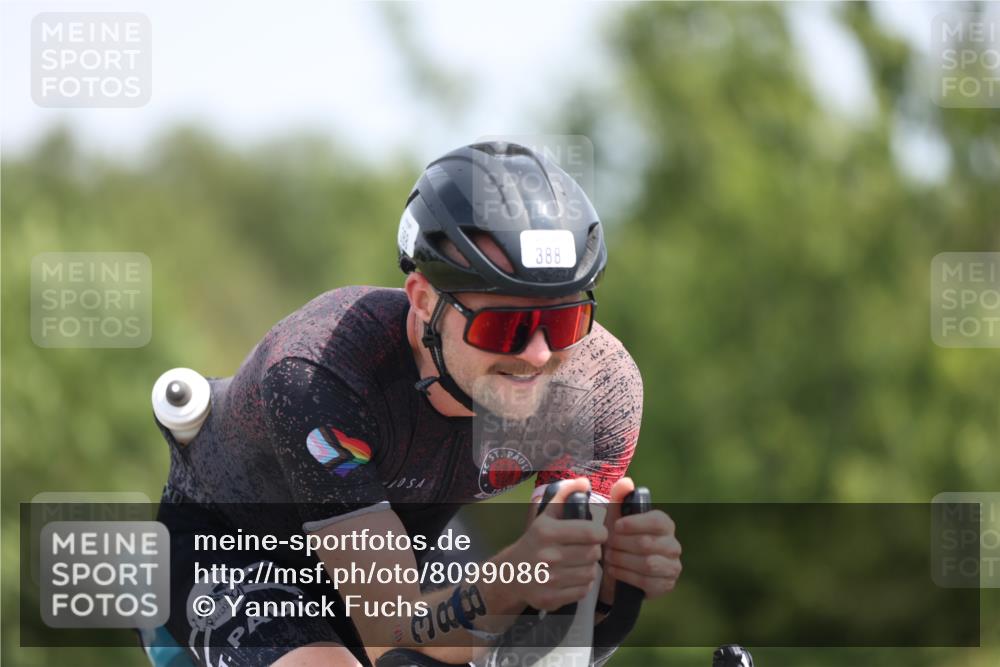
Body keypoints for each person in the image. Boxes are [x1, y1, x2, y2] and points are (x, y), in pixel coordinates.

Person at [148, 141, 682, 667]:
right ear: (424, 300)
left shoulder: (599, 385)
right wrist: (520, 574)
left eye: (564, 322)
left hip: (404, 552)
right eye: (505, 326)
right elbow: (394, 638)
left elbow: (548, 646)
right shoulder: (320, 372)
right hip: (229, 552)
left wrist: (611, 585)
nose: (539, 353)